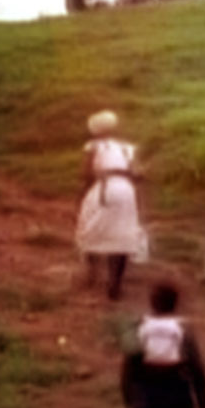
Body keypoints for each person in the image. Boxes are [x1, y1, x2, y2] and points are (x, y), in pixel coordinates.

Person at [76, 111, 147, 301]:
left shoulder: (93, 146)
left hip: (104, 188)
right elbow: (138, 173)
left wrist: (82, 195)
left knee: (89, 226)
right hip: (126, 190)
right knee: (121, 233)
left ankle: (92, 274)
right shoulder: (127, 148)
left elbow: (86, 174)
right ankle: (115, 283)